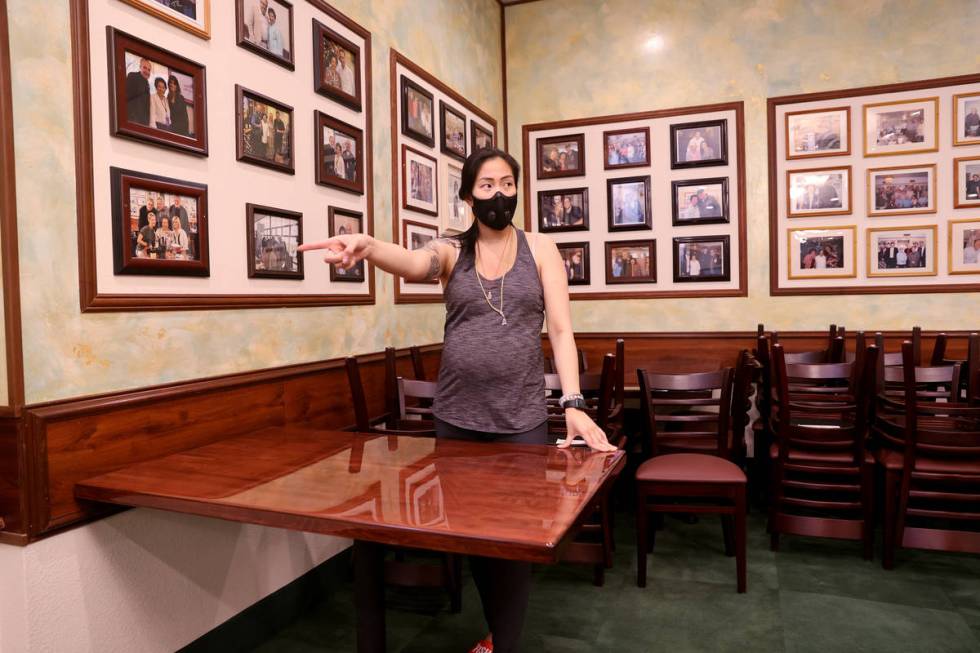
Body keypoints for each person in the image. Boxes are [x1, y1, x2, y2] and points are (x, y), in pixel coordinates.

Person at [298, 148, 615, 653]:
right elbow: (414, 262)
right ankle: (497, 635)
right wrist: (370, 246)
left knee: (512, 543)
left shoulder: (543, 250)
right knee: (475, 540)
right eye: (486, 186)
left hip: (522, 419)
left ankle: (505, 645)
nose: (498, 194)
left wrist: (573, 400)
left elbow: (560, 328)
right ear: (469, 197)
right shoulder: (453, 251)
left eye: (507, 184)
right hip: (458, 421)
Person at [125, 57, 152, 125]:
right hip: (132, 119)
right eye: (144, 68)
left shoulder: (147, 84)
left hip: (143, 123)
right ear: (140, 67)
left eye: (149, 70)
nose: (147, 71)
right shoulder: (132, 76)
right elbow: (126, 95)